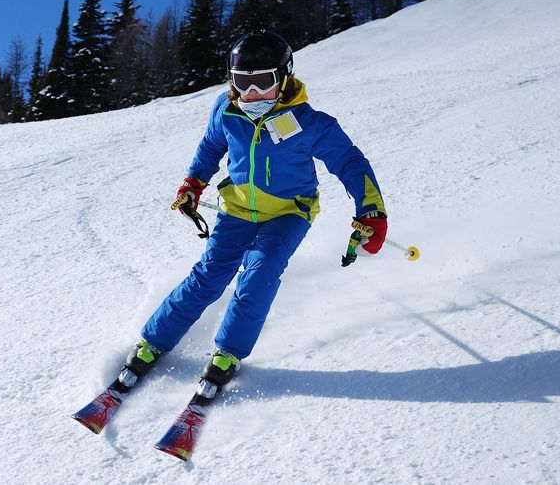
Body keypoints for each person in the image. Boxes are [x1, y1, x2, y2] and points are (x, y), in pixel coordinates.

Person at [121, 29, 388, 396]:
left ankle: (228, 353)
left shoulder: (310, 122)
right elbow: (211, 146)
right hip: (236, 210)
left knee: (259, 275)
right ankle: (153, 341)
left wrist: (371, 210)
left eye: (262, 83)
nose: (251, 95)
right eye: (241, 83)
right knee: (208, 276)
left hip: (288, 213)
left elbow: (349, 161)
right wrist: (193, 183)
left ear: (284, 76)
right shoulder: (226, 110)